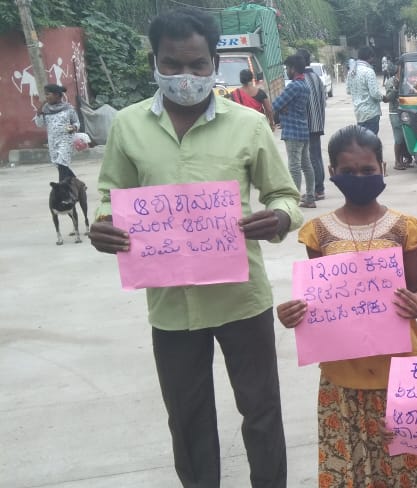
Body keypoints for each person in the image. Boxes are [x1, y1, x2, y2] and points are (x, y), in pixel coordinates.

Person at [86, 9, 302, 487]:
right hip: (170, 306)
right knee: (187, 419)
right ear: (154, 63)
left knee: (262, 412)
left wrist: (280, 217)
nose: (185, 77)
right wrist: (103, 224)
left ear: (214, 63)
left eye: (197, 65)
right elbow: (110, 195)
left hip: (241, 299)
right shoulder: (127, 127)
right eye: (173, 64)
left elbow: (284, 194)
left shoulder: (248, 125)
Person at [275, 125, 417, 487]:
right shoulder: (319, 232)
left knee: (404, 469)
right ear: (332, 173)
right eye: (347, 172)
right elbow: (317, 304)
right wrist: (292, 315)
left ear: (383, 169)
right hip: (342, 374)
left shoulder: (405, 229)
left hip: (399, 371)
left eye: (367, 170)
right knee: (351, 470)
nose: (358, 177)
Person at [272, 54, 316, 208]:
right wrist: (285, 108)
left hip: (292, 131)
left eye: (287, 68)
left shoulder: (293, 86)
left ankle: (294, 199)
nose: (286, 71)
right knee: (306, 165)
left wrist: (284, 108)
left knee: (294, 166)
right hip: (303, 129)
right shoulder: (304, 85)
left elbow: (275, 105)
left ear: (293, 68)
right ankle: (310, 196)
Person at [296, 49, 328, 201]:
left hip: (307, 124)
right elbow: (324, 100)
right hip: (318, 122)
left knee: (311, 158)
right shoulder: (317, 77)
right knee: (317, 156)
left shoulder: (302, 80)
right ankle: (319, 187)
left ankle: (318, 189)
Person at [34, 84, 79, 181]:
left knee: (62, 162)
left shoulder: (68, 108)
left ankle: (61, 188)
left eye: (48, 94)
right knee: (59, 165)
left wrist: (74, 127)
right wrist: (39, 110)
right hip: (52, 141)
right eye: (45, 94)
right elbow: (39, 124)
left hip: (66, 139)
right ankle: (77, 184)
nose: (46, 97)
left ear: (57, 95)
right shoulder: (45, 109)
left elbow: (76, 122)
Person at [383, 61, 412, 170]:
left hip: (406, 111)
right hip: (395, 112)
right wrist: (396, 88)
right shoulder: (391, 82)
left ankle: (405, 159)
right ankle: (397, 162)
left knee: (405, 137)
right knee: (398, 138)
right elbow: (388, 98)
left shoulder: (406, 80)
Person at [347, 46, 382, 135]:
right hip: (371, 113)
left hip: (359, 113)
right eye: (372, 57)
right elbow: (375, 94)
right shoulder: (369, 71)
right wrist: (384, 97)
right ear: (370, 57)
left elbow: (348, 91)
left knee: (363, 143)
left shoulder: (351, 72)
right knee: (372, 143)